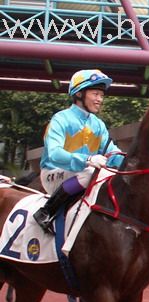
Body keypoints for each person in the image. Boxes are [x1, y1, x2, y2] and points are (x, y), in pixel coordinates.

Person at [34, 69, 123, 235]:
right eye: (95, 94)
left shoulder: (98, 125)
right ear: (80, 94)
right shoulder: (61, 119)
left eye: (101, 95)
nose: (99, 100)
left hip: (81, 174)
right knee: (90, 172)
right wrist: (87, 159)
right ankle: (46, 211)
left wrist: (129, 163)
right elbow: (54, 154)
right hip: (53, 173)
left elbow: (112, 153)